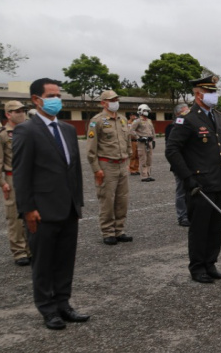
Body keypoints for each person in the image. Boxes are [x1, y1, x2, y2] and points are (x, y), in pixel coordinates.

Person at [12, 78, 88, 330]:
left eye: (58, 95)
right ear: (36, 100)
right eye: (51, 96)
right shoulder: (26, 130)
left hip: (68, 208)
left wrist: (77, 202)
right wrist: (27, 209)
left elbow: (74, 170)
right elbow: (21, 174)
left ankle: (63, 303)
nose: (57, 100)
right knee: (43, 263)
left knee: (65, 260)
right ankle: (47, 309)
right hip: (42, 210)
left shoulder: (67, 130)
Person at [165, 74, 221, 283]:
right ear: (198, 94)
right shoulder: (187, 119)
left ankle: (210, 263)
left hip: (218, 181)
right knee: (200, 228)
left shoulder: (218, 117)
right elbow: (172, 150)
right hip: (200, 184)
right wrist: (187, 178)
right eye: (209, 91)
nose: (213, 95)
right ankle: (197, 267)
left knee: (215, 227)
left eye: (214, 91)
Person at [85, 90, 133, 245]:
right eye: (111, 100)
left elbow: (127, 141)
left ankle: (119, 230)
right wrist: (96, 169)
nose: (115, 102)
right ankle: (108, 231)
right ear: (103, 103)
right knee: (107, 200)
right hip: (106, 165)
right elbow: (91, 148)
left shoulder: (122, 119)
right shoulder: (97, 121)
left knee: (122, 199)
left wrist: (128, 159)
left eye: (116, 99)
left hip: (122, 164)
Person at [0, 100, 31, 265]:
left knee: (33, 214)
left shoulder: (29, 130)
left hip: (32, 178)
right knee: (15, 217)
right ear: (8, 114)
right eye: (17, 111)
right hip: (14, 178)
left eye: (22, 110)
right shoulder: (1, 134)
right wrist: (1, 182)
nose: (21, 114)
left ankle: (31, 248)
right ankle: (20, 252)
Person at [166, 103, 191, 227]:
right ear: (178, 114)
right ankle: (182, 216)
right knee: (181, 191)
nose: (188, 114)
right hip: (180, 163)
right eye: (185, 112)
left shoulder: (191, 126)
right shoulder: (172, 127)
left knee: (192, 191)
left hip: (192, 163)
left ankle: (191, 213)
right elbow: (171, 149)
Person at [131, 104, 156, 182]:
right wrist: (138, 137)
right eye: (145, 110)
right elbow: (131, 130)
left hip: (149, 141)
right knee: (143, 159)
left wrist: (154, 140)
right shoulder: (137, 121)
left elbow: (153, 131)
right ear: (140, 111)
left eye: (147, 111)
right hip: (142, 142)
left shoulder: (149, 121)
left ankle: (148, 175)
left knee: (149, 159)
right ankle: (144, 176)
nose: (147, 112)